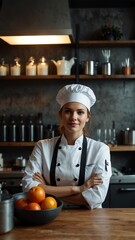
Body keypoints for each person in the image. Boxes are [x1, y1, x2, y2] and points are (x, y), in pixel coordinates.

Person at [22, 84, 112, 209]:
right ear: (61, 115)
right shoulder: (42, 147)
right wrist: (78, 189)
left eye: (80, 112)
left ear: (87, 117)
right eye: (68, 111)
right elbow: (28, 187)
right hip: (50, 216)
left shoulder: (100, 150)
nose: (73, 117)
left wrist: (46, 191)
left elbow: (97, 196)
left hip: (89, 218)